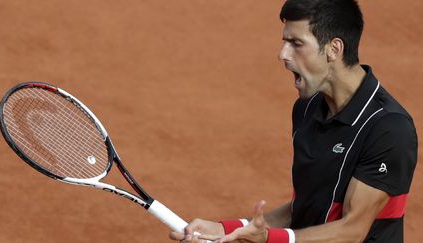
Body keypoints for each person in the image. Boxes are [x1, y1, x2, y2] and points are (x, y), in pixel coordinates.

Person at [169, 0, 418, 242]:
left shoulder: (389, 128)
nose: (282, 54)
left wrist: (270, 239)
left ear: (334, 49)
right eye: (284, 42)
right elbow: (302, 208)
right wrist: (225, 229)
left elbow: (351, 231)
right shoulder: (307, 108)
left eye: (296, 43)